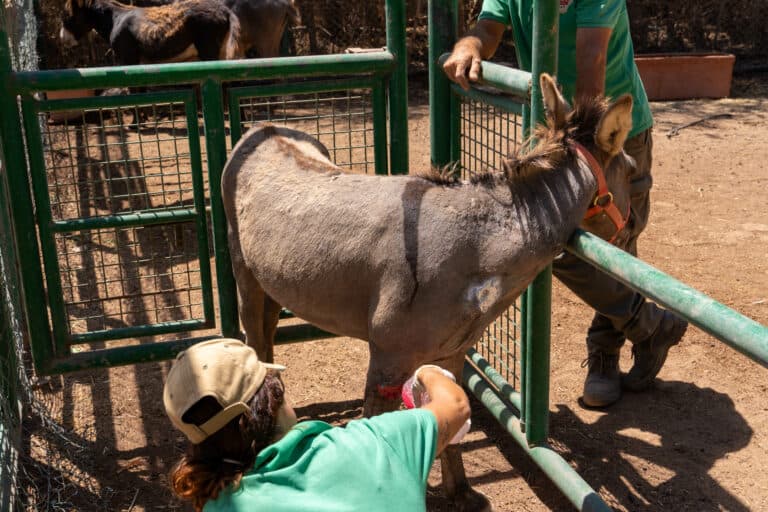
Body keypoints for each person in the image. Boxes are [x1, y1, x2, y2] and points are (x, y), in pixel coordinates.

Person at [443, 0, 688, 407]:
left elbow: (592, 59)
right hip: (563, 135)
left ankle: (605, 355)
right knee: (552, 242)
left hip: (613, 136)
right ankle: (647, 325)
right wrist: (469, 45)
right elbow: (488, 28)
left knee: (615, 241)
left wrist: (583, 147)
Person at [163, 338, 471, 511]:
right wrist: (427, 373)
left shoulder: (220, 504)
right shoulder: (377, 442)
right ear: (274, 404)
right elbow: (456, 405)